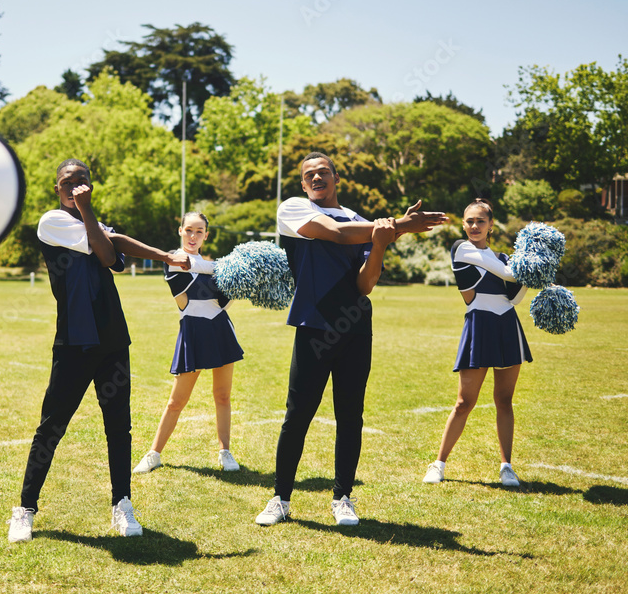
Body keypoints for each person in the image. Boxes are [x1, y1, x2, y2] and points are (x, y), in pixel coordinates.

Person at [255, 152, 447, 528]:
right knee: (297, 416)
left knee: (350, 416)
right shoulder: (294, 209)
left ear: (336, 177)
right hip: (312, 326)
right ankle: (280, 498)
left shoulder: (363, 220)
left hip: (355, 327)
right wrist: (401, 224)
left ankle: (342, 497)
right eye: (309, 174)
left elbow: (365, 284)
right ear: (302, 183)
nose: (316, 178)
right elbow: (335, 233)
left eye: (323, 172)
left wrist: (381, 243)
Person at [8, 159, 191, 543]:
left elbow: (115, 248)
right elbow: (106, 254)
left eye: (83, 182)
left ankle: (121, 504)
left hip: (111, 340)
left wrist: (167, 256)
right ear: (57, 191)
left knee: (118, 427)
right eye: (67, 184)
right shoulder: (51, 222)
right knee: (51, 427)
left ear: (91, 184)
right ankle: (24, 509)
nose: (75, 188)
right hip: (74, 341)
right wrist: (88, 210)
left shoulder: (94, 225)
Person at [423, 198, 531, 488]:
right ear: (463, 224)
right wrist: (528, 267)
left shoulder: (505, 259)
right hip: (479, 325)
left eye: (480, 221)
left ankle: (506, 466)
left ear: (491, 225)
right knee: (464, 402)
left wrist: (532, 274)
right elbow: (509, 275)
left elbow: (516, 298)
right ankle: (439, 463)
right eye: (469, 221)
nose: (474, 226)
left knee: (504, 400)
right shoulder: (462, 249)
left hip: (507, 325)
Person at [132, 211, 244, 474]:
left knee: (223, 396)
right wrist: (230, 268)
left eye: (199, 231)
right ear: (180, 231)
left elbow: (224, 302)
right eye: (189, 230)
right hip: (193, 332)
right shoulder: (174, 260)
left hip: (220, 329)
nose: (193, 236)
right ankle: (154, 453)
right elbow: (194, 269)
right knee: (176, 401)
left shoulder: (212, 266)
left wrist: (239, 280)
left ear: (206, 235)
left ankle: (225, 451)